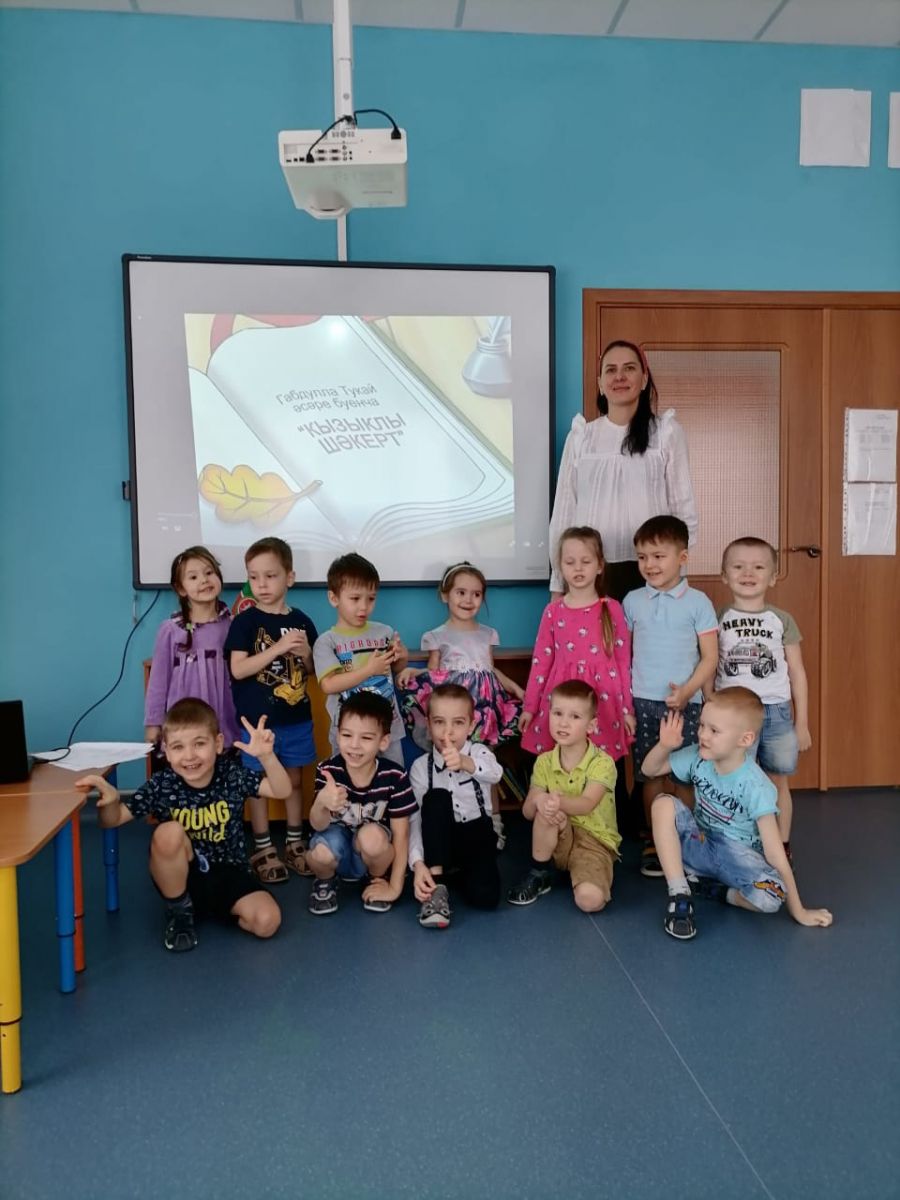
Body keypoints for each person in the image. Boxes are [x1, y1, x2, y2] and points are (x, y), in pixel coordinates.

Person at [76, 699, 286, 952]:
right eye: (178, 747)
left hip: (230, 872)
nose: (189, 756)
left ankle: (214, 908)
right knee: (169, 832)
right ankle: (180, 910)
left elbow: (281, 790)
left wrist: (267, 757)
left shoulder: (232, 775)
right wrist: (111, 801)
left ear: (218, 743)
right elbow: (113, 820)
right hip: (183, 875)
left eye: (199, 744)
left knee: (267, 922)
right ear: (166, 751)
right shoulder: (162, 784)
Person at [643, 690, 832, 941]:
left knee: (773, 896)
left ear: (745, 739)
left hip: (738, 858)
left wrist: (799, 911)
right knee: (662, 804)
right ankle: (680, 893)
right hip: (700, 843)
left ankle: (717, 891)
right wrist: (665, 745)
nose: (702, 735)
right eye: (702, 726)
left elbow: (775, 852)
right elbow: (649, 769)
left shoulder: (757, 786)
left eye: (714, 731)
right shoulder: (697, 757)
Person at [548, 340, 698, 602]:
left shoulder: (666, 433)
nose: (619, 376)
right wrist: (558, 585)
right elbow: (564, 511)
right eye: (611, 370)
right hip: (590, 572)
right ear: (600, 383)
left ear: (644, 379)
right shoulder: (581, 437)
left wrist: (677, 574)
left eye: (629, 368)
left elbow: (682, 508)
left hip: (653, 571)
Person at [396, 561, 522, 847]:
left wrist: (514, 687)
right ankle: (452, 822)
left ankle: (493, 822)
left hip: (483, 708)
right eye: (461, 592)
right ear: (445, 595)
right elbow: (433, 673)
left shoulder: (487, 633)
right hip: (454, 707)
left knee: (483, 761)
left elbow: (490, 669)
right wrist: (412, 671)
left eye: (476, 594)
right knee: (450, 760)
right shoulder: (437, 635)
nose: (468, 600)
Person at [623, 515, 718, 877]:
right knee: (650, 774)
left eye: (659, 556)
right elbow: (625, 654)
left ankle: (688, 838)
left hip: (687, 704)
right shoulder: (632, 600)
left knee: (685, 773)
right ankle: (654, 838)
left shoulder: (698, 602)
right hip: (644, 702)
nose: (649, 564)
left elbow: (710, 657)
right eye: (642, 557)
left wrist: (689, 691)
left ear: (683, 558)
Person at [224, 537, 318, 885]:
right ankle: (263, 847)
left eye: (270, 576)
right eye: (254, 577)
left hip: (295, 719)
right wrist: (277, 648)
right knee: (257, 784)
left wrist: (305, 655)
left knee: (294, 781)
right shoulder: (244, 622)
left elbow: (312, 672)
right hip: (257, 726)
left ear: (289, 577)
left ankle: (294, 841)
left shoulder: (302, 621)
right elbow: (238, 670)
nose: (262, 584)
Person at [716, 537, 810, 863]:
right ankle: (739, 845)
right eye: (738, 566)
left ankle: (781, 845)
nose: (748, 573)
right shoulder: (717, 618)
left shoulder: (781, 619)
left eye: (758, 567)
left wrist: (802, 723)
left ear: (772, 577)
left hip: (776, 712)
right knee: (735, 780)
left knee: (776, 780)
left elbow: (797, 672)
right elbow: (708, 664)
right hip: (733, 712)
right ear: (724, 575)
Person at [519, 526, 634, 764]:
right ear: (560, 567)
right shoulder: (553, 611)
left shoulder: (612, 608)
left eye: (586, 561)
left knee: (601, 765)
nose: (578, 568)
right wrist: (530, 707)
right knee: (562, 763)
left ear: (600, 565)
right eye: (570, 562)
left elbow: (624, 663)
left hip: (603, 699)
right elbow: (541, 663)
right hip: (562, 698)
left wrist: (627, 710)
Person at [507, 681, 619, 911]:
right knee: (545, 809)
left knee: (589, 901)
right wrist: (540, 801)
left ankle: (585, 874)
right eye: (557, 713)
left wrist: (557, 802)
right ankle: (540, 872)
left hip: (594, 841)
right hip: (559, 837)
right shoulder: (544, 761)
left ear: (591, 725)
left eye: (575, 716)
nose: (563, 723)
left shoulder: (603, 763)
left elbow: (587, 803)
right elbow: (527, 812)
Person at [306, 692, 415, 916]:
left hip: (371, 854)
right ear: (337, 735)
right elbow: (317, 825)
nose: (354, 745)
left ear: (383, 741)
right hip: (337, 849)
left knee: (372, 837)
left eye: (366, 738)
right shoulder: (328, 770)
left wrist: (395, 888)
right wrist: (321, 802)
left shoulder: (394, 776)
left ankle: (376, 879)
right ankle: (325, 881)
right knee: (319, 853)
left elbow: (402, 835)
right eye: (347, 735)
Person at [407, 684, 504, 929]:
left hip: (476, 837)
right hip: (440, 842)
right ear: (428, 724)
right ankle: (437, 885)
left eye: (458, 723)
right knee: (436, 798)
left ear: (471, 726)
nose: (448, 732)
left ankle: (461, 875)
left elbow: (495, 773)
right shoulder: (421, 766)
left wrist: (466, 763)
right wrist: (417, 863)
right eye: (439, 722)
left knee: (486, 899)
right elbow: (415, 819)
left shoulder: (479, 752)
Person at [313, 552, 408, 765]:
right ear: (334, 598)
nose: (364, 607)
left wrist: (402, 656)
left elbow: (397, 668)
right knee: (346, 778)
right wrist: (368, 670)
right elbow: (329, 685)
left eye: (371, 599)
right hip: (349, 733)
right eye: (355, 599)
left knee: (393, 775)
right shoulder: (327, 641)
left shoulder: (384, 632)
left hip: (387, 727)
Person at [144, 546, 239, 755]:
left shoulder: (233, 625)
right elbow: (158, 680)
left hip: (224, 719)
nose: (204, 580)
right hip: (184, 722)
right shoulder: (171, 629)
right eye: (193, 577)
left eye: (209, 573)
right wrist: (153, 722)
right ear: (181, 588)